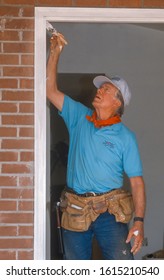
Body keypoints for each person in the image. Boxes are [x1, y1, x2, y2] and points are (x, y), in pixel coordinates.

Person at [46, 32, 146, 260]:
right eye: (100, 88)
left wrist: (138, 221)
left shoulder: (125, 137)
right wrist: (55, 53)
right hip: (75, 210)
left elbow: (137, 182)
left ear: (118, 102)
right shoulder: (79, 116)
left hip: (109, 212)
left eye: (107, 89)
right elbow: (50, 91)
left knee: (123, 268)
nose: (99, 90)